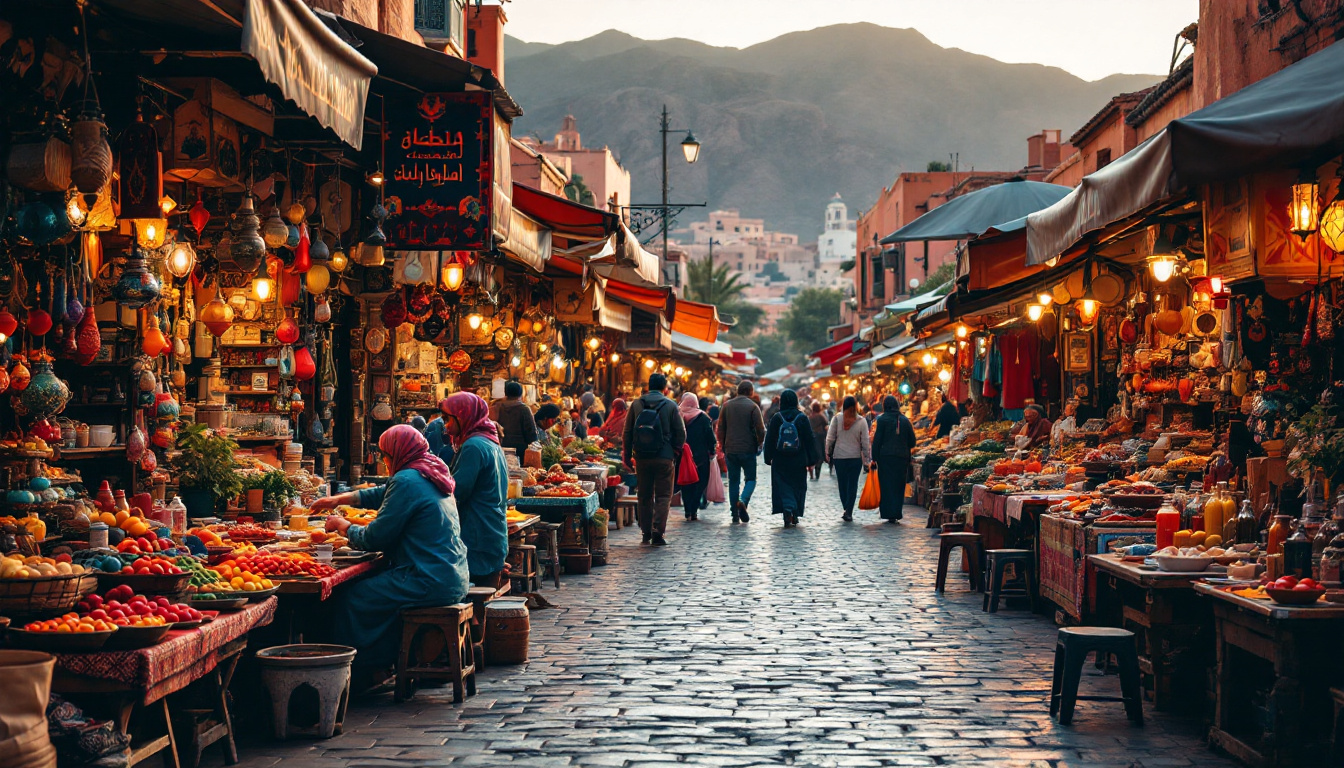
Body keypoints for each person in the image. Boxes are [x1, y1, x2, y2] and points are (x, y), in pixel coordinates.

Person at [313, 425, 470, 687]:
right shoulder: (430, 469)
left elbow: (375, 537)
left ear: (396, 453)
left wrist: (344, 527)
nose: (384, 461)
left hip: (427, 578)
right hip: (451, 572)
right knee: (373, 586)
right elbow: (384, 493)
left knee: (354, 598)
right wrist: (339, 500)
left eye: (385, 455)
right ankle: (383, 663)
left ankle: (367, 671)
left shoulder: (408, 479)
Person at [440, 393, 509, 588]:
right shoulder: (490, 442)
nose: (445, 425)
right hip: (491, 531)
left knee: (475, 596)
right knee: (483, 600)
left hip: (477, 533)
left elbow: (457, 490)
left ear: (463, 416)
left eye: (448, 419)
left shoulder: (473, 446)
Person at [623, 374, 686, 545]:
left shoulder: (636, 404)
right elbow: (681, 433)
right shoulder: (671, 405)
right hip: (664, 456)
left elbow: (627, 432)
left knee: (644, 495)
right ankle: (658, 530)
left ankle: (646, 532)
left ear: (647, 386)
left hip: (642, 457)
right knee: (664, 495)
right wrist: (674, 451)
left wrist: (627, 455)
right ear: (665, 388)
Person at [764, 389, 821, 528]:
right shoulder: (801, 417)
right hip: (798, 458)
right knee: (798, 485)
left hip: (780, 458)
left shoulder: (777, 418)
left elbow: (770, 439)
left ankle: (787, 509)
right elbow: (809, 439)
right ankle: (794, 511)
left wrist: (768, 457)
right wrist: (812, 459)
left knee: (782, 485)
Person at [717, 380, 765, 523]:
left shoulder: (726, 406)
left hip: (730, 448)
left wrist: (723, 444)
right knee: (750, 479)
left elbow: (721, 428)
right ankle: (743, 500)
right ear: (750, 392)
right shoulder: (753, 407)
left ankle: (734, 514)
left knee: (733, 481)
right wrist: (759, 443)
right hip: (748, 449)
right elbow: (760, 429)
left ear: (738, 390)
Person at [870, 395, 916, 523]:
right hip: (902, 458)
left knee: (886, 485)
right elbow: (912, 442)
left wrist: (874, 458)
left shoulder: (882, 420)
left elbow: (877, 441)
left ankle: (888, 512)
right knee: (898, 485)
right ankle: (896, 511)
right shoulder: (905, 420)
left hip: (885, 458)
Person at [826, 396, 872, 521]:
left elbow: (830, 438)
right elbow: (865, 441)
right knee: (852, 484)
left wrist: (828, 452)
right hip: (855, 458)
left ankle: (846, 507)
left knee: (842, 483)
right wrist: (866, 457)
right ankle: (849, 510)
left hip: (839, 457)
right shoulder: (861, 421)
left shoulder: (837, 419)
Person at [677, 392, 717, 521]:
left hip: (682, 456)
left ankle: (688, 509)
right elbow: (710, 437)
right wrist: (712, 450)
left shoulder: (678, 415)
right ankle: (693, 510)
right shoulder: (703, 417)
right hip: (701, 457)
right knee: (700, 483)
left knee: (685, 482)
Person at [495, 381, 538, 461]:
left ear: (506, 393)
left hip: (500, 448)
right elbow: (531, 433)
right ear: (521, 394)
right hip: (520, 451)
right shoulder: (524, 409)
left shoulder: (497, 407)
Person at [807, 401, 829, 481]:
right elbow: (826, 423)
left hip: (812, 437)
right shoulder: (820, 416)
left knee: (813, 454)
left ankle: (812, 474)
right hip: (820, 437)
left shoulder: (810, 417)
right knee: (820, 455)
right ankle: (817, 473)